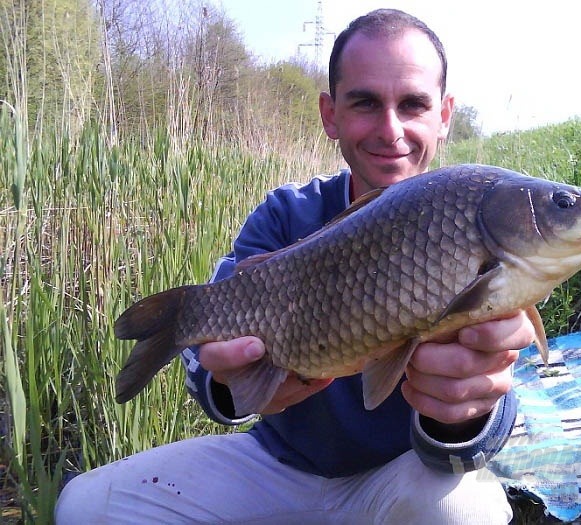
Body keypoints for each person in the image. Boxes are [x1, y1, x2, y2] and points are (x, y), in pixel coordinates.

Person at [56, 9, 535, 524]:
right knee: (85, 506)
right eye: (366, 103)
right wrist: (231, 382)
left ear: (444, 116)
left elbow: (484, 419)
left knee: (468, 509)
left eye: (413, 104)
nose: (391, 129)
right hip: (278, 465)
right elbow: (207, 361)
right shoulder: (286, 215)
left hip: (404, 474)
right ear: (331, 114)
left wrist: (461, 415)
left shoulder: (473, 229)